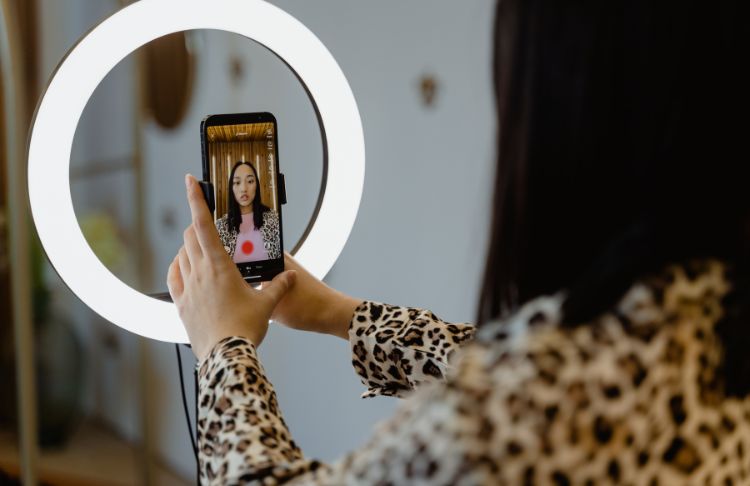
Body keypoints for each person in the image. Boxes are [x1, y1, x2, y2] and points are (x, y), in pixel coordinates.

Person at [167, 0, 749, 483]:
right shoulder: (709, 315)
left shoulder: (521, 409)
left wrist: (223, 349)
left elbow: (521, 387)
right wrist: (341, 314)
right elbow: (503, 362)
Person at [214, 161, 281, 263]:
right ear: (231, 188)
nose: (244, 189)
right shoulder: (220, 227)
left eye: (250, 181)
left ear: (257, 186)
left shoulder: (274, 220)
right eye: (237, 182)